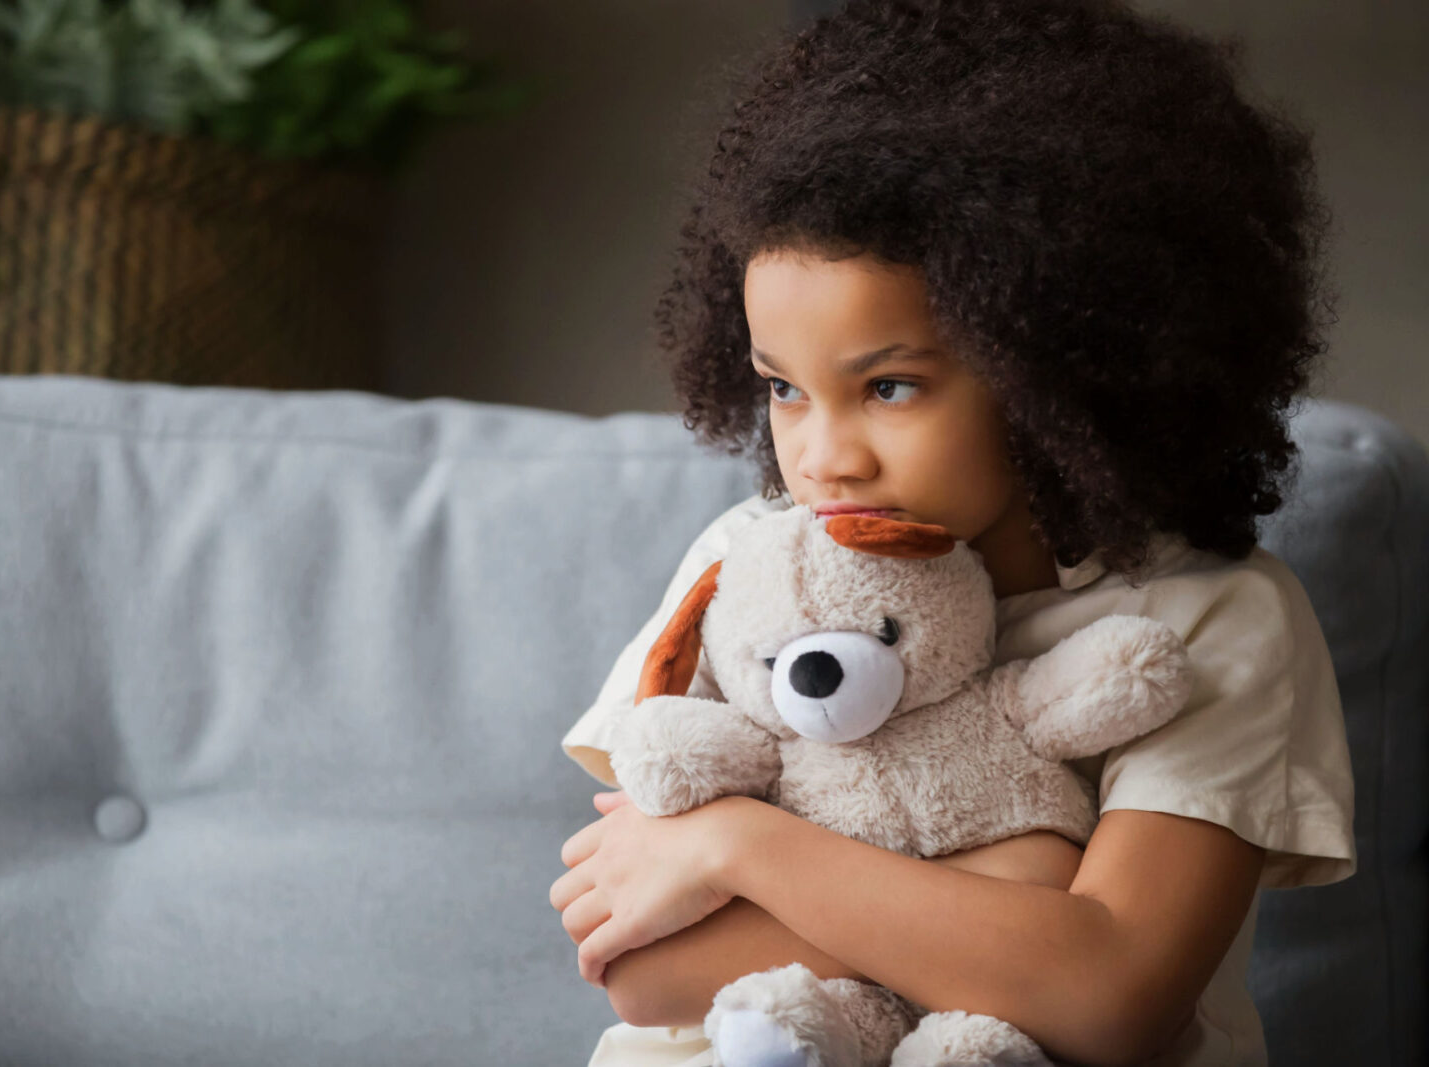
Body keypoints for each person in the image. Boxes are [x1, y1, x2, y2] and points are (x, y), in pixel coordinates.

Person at [547, 1, 1356, 1064]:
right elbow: (640, 970)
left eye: (888, 385)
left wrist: (734, 844)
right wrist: (1017, 914)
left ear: (1060, 366)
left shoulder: (1208, 619)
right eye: (783, 389)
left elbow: (1107, 996)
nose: (824, 457)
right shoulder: (747, 565)